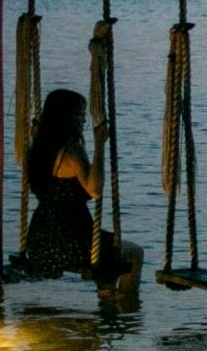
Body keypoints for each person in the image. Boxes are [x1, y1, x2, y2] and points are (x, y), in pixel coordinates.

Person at [21, 87, 143, 296]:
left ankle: (108, 303)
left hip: (40, 239)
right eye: (78, 115)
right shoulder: (72, 150)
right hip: (71, 241)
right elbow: (94, 190)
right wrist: (99, 145)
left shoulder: (39, 148)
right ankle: (125, 309)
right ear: (64, 118)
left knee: (109, 254)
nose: (83, 120)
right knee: (133, 253)